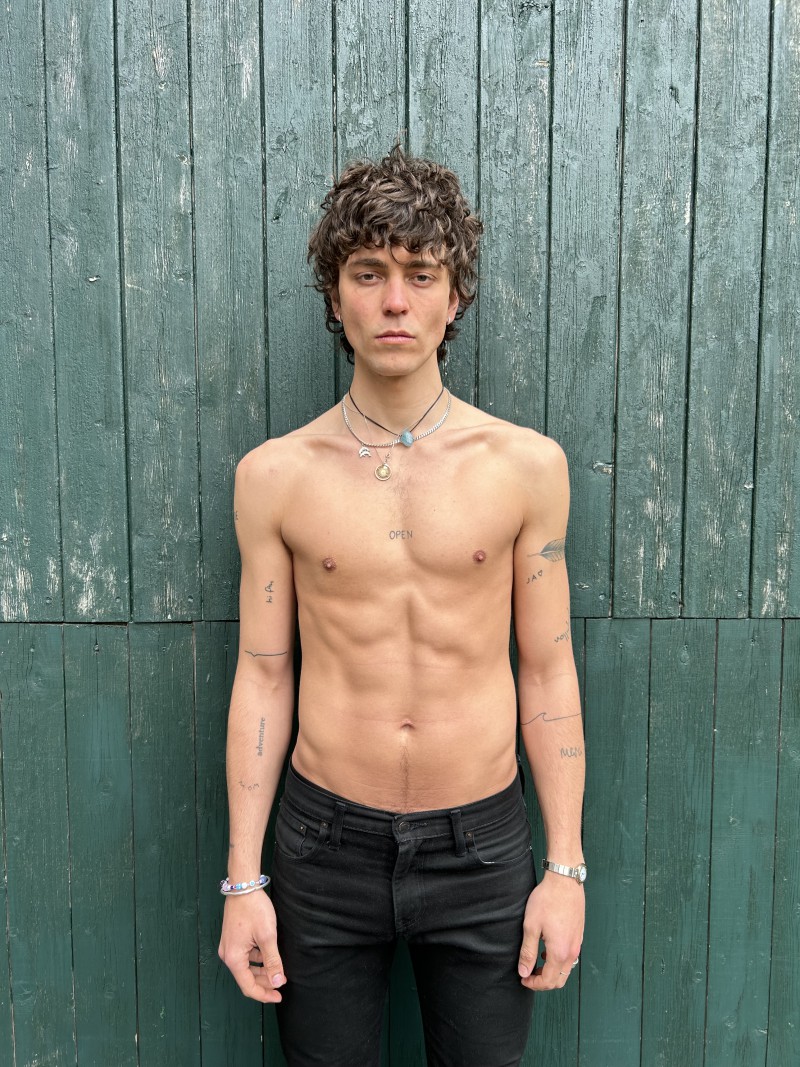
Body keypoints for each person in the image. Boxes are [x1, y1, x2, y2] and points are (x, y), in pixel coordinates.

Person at [218, 145, 586, 1067]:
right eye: (368, 272)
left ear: (453, 297)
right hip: (323, 845)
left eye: (421, 275)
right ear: (335, 294)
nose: (394, 301)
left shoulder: (526, 466)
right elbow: (264, 676)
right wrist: (242, 880)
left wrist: (565, 867)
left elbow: (547, 669)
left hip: (483, 845)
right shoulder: (274, 477)